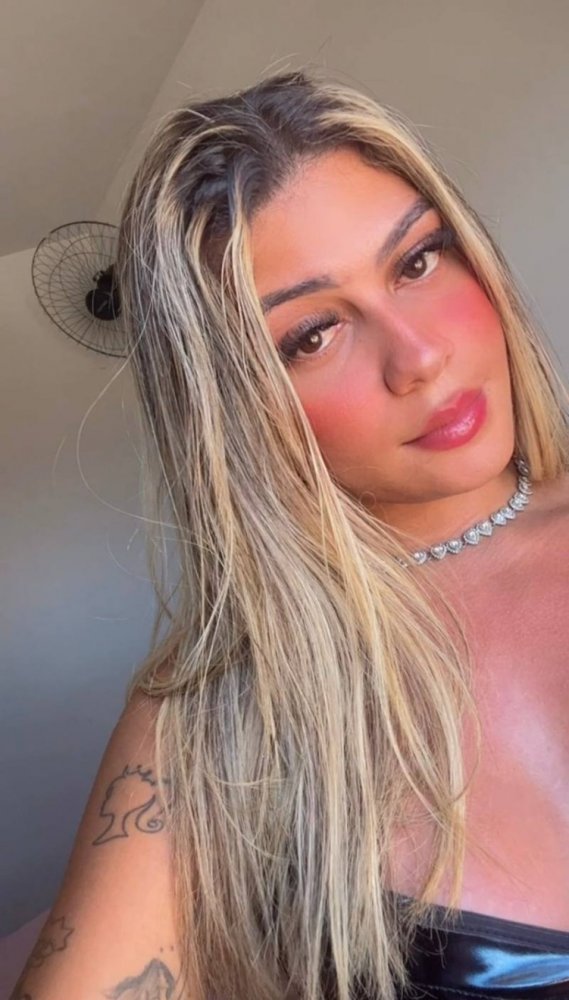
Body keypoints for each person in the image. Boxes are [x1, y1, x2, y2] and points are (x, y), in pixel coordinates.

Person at [11, 68, 569, 1000]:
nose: (418, 356)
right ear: (238, 412)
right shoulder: (216, 718)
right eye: (312, 335)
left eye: (417, 262)